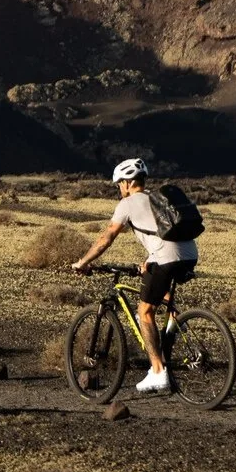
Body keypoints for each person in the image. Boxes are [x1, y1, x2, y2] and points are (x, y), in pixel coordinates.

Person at [69, 157, 197, 394]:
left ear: (127, 183)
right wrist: (147, 262)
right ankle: (173, 331)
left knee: (144, 311)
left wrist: (83, 262)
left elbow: (107, 237)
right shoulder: (156, 199)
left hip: (166, 258)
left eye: (119, 184)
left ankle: (158, 371)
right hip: (189, 254)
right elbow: (161, 236)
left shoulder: (127, 204)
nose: (119, 189)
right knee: (162, 294)